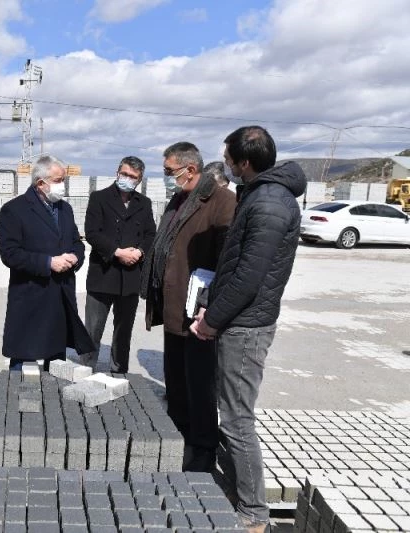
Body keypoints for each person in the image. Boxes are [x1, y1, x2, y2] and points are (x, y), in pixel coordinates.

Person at [190, 126, 306, 532]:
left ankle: (254, 513)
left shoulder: (270, 203)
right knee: (231, 413)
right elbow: (234, 264)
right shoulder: (258, 194)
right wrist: (210, 303)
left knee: (237, 420)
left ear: (244, 162)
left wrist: (211, 321)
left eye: (228, 159)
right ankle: (241, 492)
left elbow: (248, 278)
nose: (224, 165)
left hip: (246, 326)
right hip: (238, 319)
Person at [139, 144, 236, 473]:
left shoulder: (222, 202)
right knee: (176, 380)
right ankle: (177, 435)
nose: (166, 176)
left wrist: (209, 306)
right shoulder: (179, 198)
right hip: (173, 305)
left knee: (200, 384)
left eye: (169, 171)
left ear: (190, 170)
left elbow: (227, 263)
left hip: (199, 313)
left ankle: (203, 449)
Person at [0, 155, 94, 371]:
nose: (62, 185)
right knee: (24, 368)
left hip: (60, 296)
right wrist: (48, 262)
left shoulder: (65, 209)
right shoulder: (14, 210)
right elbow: (10, 254)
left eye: (64, 180)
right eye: (58, 180)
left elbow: (76, 242)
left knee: (56, 366)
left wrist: (75, 257)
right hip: (31, 296)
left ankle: (52, 390)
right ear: (41, 183)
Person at [82, 156, 156, 373]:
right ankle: (86, 368)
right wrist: (117, 252)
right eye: (124, 174)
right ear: (117, 172)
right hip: (103, 273)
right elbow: (92, 232)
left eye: (133, 176)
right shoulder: (99, 198)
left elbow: (151, 234)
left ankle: (119, 370)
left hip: (131, 276)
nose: (127, 179)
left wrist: (140, 252)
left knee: (124, 330)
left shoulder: (144, 203)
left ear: (139, 180)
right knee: (93, 328)